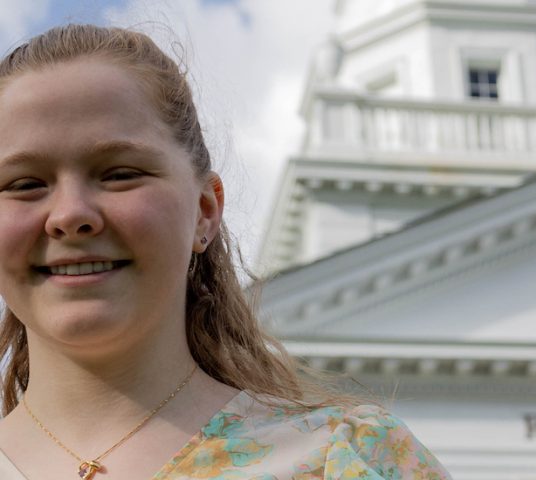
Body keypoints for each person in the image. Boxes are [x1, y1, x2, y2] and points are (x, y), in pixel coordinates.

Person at [0, 24, 451, 480]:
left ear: (204, 211)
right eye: (24, 184)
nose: (70, 214)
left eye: (119, 174)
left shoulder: (350, 458)